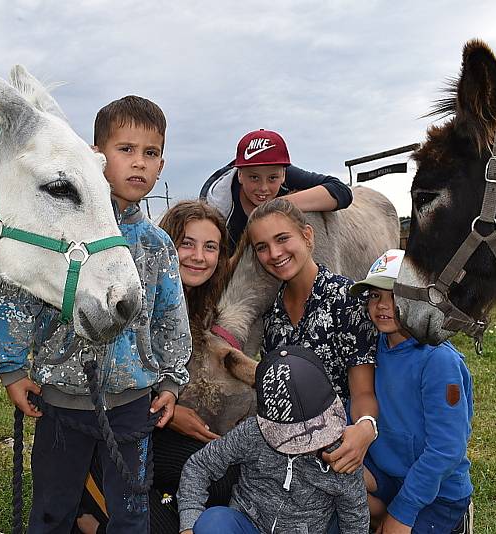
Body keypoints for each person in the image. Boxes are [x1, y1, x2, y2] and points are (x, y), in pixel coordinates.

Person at [0, 95, 192, 533]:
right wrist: (12, 369)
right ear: (97, 157)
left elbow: (171, 316)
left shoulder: (156, 245)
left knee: (131, 513)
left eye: (150, 153)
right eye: (126, 149)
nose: (139, 163)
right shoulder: (61, 230)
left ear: (162, 164)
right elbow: (17, 296)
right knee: (52, 507)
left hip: (133, 402)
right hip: (60, 401)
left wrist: (172, 379)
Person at [78, 200, 240, 534]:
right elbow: (112, 373)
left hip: (155, 426)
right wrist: (167, 412)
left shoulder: (197, 302)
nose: (199, 256)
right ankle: (86, 510)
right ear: (167, 243)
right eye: (187, 244)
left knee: (223, 477)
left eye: (210, 247)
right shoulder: (132, 292)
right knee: (163, 526)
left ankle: (145, 502)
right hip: (110, 431)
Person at [244, 197, 379, 476]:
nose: (274, 253)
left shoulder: (348, 299)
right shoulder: (271, 314)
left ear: (307, 236)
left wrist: (366, 426)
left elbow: (363, 391)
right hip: (290, 448)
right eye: (262, 247)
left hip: (342, 447)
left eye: (282, 239)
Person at [177, 345, 370, 534]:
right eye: (295, 435)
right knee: (213, 522)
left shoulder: (343, 453)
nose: (308, 442)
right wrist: (189, 521)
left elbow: (355, 516)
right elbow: (200, 465)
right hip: (247, 522)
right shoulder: (252, 433)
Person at [348, 250, 474, 534]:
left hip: (437, 490)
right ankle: (382, 516)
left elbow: (447, 448)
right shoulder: (371, 349)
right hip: (388, 473)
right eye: (375, 296)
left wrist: (404, 511)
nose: (382, 305)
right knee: (326, 487)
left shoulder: (438, 360)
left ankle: (452, 522)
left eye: (394, 295)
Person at [200, 128, 353, 255]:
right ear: (239, 174)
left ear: (284, 174)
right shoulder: (217, 207)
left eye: (272, 178)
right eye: (254, 177)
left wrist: (277, 205)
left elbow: (341, 191)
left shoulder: (283, 172)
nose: (263, 187)